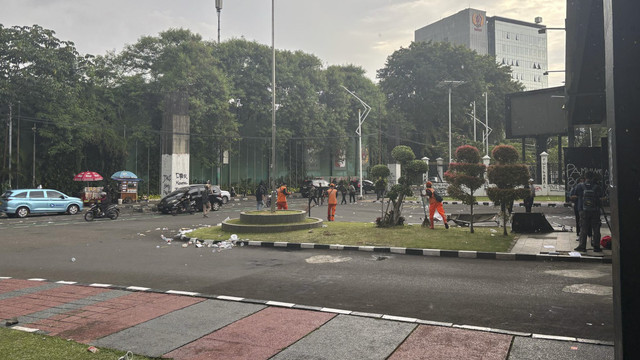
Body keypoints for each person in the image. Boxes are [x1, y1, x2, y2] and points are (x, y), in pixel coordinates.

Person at [573, 171, 603, 253]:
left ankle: (582, 246)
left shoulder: (579, 186)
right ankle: (596, 247)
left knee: (583, 228)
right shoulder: (597, 187)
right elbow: (602, 197)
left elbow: (573, 195)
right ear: (593, 177)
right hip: (595, 210)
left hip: (583, 210)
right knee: (596, 229)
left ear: (585, 177)